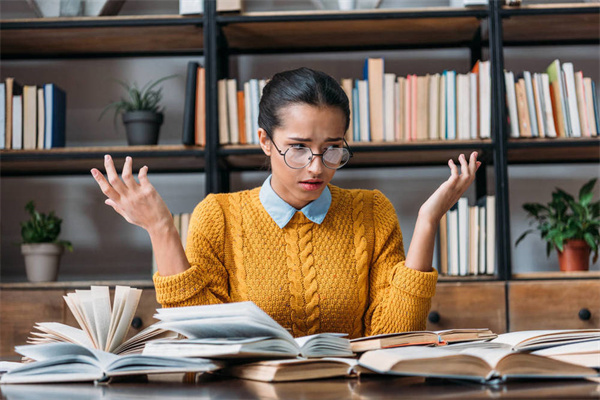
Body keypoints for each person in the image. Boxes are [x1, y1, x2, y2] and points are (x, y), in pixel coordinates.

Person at [91, 67, 480, 339]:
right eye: (298, 148)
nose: (316, 167)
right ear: (265, 140)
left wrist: (428, 220)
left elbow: (393, 336)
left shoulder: (372, 211)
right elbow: (198, 335)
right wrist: (160, 228)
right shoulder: (220, 215)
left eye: (332, 150)